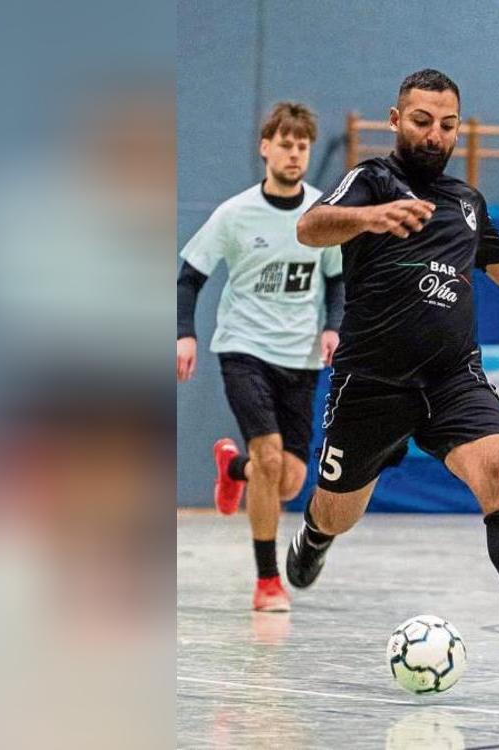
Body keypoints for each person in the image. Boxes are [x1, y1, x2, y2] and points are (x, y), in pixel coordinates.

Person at [286, 70, 499, 671]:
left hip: (451, 377)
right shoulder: (372, 180)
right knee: (338, 510)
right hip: (372, 383)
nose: (434, 135)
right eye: (422, 121)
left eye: (447, 125)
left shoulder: (466, 202)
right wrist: (370, 218)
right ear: (396, 120)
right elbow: (308, 227)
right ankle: (315, 536)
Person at [177, 102, 343, 613]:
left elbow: (337, 279)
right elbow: (189, 277)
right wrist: (184, 335)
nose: (294, 154)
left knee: (287, 480)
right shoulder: (235, 214)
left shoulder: (321, 214)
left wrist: (333, 327)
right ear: (265, 148)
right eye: (285, 144)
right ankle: (268, 580)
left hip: (301, 359)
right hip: (244, 349)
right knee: (269, 458)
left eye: (302, 146)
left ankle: (234, 469)